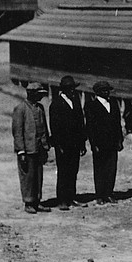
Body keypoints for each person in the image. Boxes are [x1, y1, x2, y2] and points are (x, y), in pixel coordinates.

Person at [12, 83, 52, 214]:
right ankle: (29, 202)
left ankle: (37, 201)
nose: (41, 96)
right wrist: (21, 151)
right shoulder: (21, 109)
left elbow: (44, 128)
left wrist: (46, 145)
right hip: (27, 150)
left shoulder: (40, 108)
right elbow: (17, 132)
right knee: (28, 176)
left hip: (39, 148)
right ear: (31, 93)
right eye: (39, 93)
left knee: (38, 176)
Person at [49, 75, 87, 210]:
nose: (72, 90)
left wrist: (82, 143)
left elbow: (81, 123)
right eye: (70, 88)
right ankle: (62, 200)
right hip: (63, 145)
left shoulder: (75, 101)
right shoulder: (56, 104)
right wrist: (58, 145)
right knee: (63, 172)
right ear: (64, 89)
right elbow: (54, 127)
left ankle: (71, 198)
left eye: (73, 88)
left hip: (75, 144)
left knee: (73, 171)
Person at [84, 80, 123, 205]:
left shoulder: (113, 103)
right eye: (104, 90)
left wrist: (120, 140)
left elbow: (118, 124)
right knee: (100, 169)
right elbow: (90, 127)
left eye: (108, 90)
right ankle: (100, 195)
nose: (107, 92)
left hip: (112, 142)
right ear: (97, 92)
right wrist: (93, 144)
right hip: (99, 144)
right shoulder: (91, 105)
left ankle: (109, 193)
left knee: (111, 168)